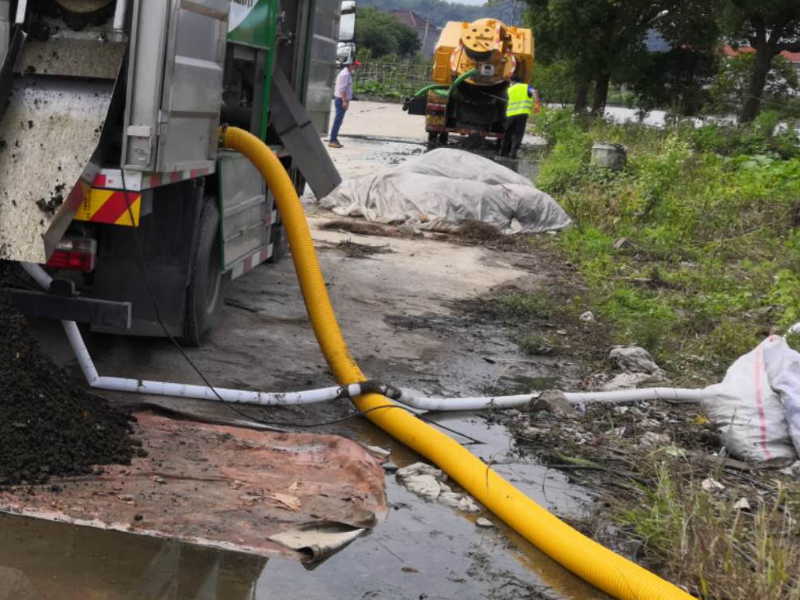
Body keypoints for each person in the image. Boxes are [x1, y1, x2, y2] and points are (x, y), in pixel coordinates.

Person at [500, 77, 540, 159]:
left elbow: (506, 100)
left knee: (507, 134)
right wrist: (537, 103)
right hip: (522, 114)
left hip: (511, 115)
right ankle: (513, 154)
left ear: (513, 82)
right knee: (518, 134)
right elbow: (534, 91)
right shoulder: (526, 87)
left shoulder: (509, 89)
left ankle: (503, 153)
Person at [328, 60, 361, 149]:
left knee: (339, 121)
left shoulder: (347, 73)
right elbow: (342, 90)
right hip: (340, 100)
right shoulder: (345, 74)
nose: (356, 67)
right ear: (350, 65)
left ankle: (334, 138)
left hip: (342, 99)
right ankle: (332, 140)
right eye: (355, 65)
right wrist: (345, 101)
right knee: (337, 121)